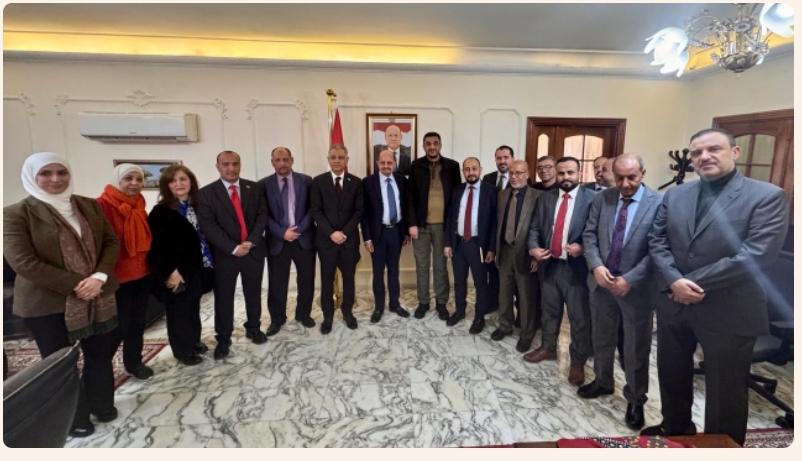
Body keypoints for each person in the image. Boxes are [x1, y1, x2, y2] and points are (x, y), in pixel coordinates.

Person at [642, 128, 789, 445]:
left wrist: (688, 284)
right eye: (696, 152)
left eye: (713, 149)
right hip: (674, 305)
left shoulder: (767, 196)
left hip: (729, 308)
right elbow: (656, 240)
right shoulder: (677, 195)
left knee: (726, 390)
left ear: (735, 152)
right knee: (671, 372)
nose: (704, 156)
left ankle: (721, 445)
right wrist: (673, 280)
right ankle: (675, 427)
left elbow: (756, 255)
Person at [4, 152, 121, 437]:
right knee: (61, 363)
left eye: (61, 172)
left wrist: (99, 277)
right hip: (48, 302)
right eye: (46, 173)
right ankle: (74, 417)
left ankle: (102, 404)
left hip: (98, 295)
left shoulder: (89, 206)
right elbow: (24, 263)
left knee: (99, 354)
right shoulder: (16, 214)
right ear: (32, 176)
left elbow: (110, 241)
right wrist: (78, 284)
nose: (55, 179)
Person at [580, 154, 662, 430]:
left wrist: (631, 278)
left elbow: (658, 248)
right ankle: (603, 381)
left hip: (636, 290)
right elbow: (589, 235)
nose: (625, 184)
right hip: (602, 284)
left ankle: (636, 399)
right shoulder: (602, 199)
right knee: (601, 338)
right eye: (619, 178)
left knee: (636, 347)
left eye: (632, 177)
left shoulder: (658, 202)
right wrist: (596, 266)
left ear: (643, 173)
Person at [526, 156, 595, 386]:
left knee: (579, 318)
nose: (566, 177)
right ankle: (548, 348)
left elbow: (598, 232)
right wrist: (533, 248)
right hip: (550, 265)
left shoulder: (592, 199)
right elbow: (534, 227)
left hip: (577, 269)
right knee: (549, 312)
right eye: (562, 173)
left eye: (570, 173)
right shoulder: (546, 198)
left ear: (579, 173)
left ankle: (577, 361)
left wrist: (583, 249)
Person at [197, 151, 268, 359]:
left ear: (240, 165)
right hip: (225, 255)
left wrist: (250, 241)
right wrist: (234, 248)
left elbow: (262, 216)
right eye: (226, 164)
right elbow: (209, 227)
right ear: (218, 166)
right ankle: (223, 337)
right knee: (224, 297)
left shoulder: (254, 188)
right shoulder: (206, 194)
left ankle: (253, 327)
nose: (231, 168)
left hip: (252, 251)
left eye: (235, 164)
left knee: (253, 293)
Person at [147, 165, 213, 367]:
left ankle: (193, 341)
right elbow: (157, 247)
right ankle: (182, 350)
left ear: (190, 181)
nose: (179, 184)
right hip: (176, 270)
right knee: (178, 311)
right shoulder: (160, 212)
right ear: (166, 186)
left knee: (192, 306)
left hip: (196, 267)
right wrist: (170, 272)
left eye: (183, 179)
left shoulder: (195, 206)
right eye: (173, 181)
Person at [97, 163, 154, 380]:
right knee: (116, 328)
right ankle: (100, 370)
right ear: (117, 180)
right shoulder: (101, 205)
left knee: (137, 324)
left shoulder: (139, 205)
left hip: (141, 274)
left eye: (139, 179)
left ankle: (134, 363)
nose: (134, 183)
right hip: (116, 278)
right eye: (128, 179)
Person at [260, 147, 316, 335]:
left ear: (292, 160)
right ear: (272, 162)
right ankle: (277, 319)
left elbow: (313, 209)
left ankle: (303, 314)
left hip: (303, 238)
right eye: (277, 160)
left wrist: (298, 229)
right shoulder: (263, 185)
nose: (282, 163)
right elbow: (263, 215)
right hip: (278, 241)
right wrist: (282, 232)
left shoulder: (306, 181)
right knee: (277, 282)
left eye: (285, 159)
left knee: (306, 280)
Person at [406, 132, 462, 320]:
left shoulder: (452, 166)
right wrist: (412, 223)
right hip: (421, 226)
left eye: (435, 143)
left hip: (443, 226)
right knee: (422, 265)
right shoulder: (416, 166)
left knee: (440, 266)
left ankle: (441, 302)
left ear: (440, 145)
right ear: (423, 146)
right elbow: (410, 197)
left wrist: (453, 226)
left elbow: (456, 198)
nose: (432, 147)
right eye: (428, 143)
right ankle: (423, 302)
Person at [310, 144, 364, 334]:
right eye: (333, 157)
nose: (337, 161)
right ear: (328, 159)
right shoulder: (318, 182)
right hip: (326, 241)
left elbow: (359, 211)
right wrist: (332, 233)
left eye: (341, 157)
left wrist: (344, 233)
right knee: (326, 280)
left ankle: (347, 312)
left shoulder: (356, 182)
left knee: (349, 279)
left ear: (347, 160)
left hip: (349, 242)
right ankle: (328, 316)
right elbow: (316, 211)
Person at [491, 160, 543, 352]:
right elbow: (498, 224)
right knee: (503, 292)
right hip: (505, 250)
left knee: (526, 296)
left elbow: (542, 228)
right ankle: (505, 325)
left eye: (519, 173)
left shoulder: (538, 196)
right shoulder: (502, 195)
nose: (514, 177)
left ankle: (527, 334)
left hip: (526, 253)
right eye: (512, 173)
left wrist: (536, 255)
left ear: (527, 174)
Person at [444, 157, 497, 334]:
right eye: (467, 169)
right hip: (458, 244)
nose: (471, 172)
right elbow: (451, 217)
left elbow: (494, 223)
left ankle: (479, 316)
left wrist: (491, 248)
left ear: (480, 170)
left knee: (480, 283)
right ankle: (460, 310)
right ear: (463, 171)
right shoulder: (457, 190)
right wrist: (448, 243)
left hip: (479, 246)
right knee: (459, 281)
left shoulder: (490, 191)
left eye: (474, 169)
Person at [362, 150, 411, 323]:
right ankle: (378, 307)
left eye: (389, 163)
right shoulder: (368, 182)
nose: (386, 166)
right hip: (378, 234)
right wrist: (367, 238)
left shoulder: (402, 181)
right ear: (377, 163)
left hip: (396, 232)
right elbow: (364, 213)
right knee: (378, 272)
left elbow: (406, 207)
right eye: (382, 163)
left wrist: (406, 232)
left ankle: (394, 304)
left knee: (394, 270)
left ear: (394, 164)